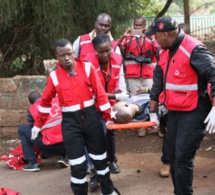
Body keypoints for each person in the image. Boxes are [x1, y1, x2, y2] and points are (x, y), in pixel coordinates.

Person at [31, 39, 119, 195]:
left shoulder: (87, 68)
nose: (66, 58)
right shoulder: (54, 77)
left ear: (73, 53)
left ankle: (109, 191)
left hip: (91, 118)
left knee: (100, 160)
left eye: (69, 54)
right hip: (71, 122)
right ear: (57, 57)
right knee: (77, 165)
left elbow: (101, 95)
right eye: (62, 55)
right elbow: (45, 103)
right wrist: (38, 124)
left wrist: (108, 117)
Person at [145, 16, 215, 195]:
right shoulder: (164, 50)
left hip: (194, 110)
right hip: (175, 110)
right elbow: (158, 81)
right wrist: (152, 112)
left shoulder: (194, 50)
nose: (153, 39)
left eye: (155, 35)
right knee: (173, 157)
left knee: (183, 159)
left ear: (166, 34)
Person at [84, 33, 128, 190]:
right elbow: (88, 92)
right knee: (92, 138)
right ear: (95, 51)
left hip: (110, 106)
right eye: (101, 52)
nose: (105, 54)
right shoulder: (87, 63)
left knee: (109, 134)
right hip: (91, 107)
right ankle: (94, 172)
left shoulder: (117, 60)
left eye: (108, 50)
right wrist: (109, 95)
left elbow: (123, 93)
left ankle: (111, 161)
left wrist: (104, 94)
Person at [118, 16, 159, 137]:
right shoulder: (128, 39)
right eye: (136, 25)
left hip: (149, 74)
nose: (138, 27)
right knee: (136, 101)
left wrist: (151, 37)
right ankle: (141, 126)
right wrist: (124, 36)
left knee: (152, 99)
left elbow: (158, 49)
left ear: (144, 26)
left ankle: (152, 124)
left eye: (140, 25)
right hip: (133, 75)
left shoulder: (150, 38)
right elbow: (117, 49)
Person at [18, 90, 68, 172]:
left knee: (22, 129)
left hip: (48, 146)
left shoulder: (32, 110)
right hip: (69, 144)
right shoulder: (57, 100)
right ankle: (64, 157)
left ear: (32, 103)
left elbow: (34, 130)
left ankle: (32, 163)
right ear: (41, 95)